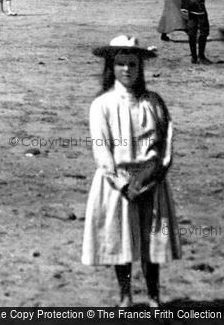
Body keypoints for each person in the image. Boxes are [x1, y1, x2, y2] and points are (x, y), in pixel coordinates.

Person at [82, 35, 181, 308]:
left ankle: (153, 297)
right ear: (111, 67)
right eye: (121, 64)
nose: (127, 70)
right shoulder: (102, 105)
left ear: (141, 68)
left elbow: (166, 140)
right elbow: (101, 148)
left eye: (133, 65)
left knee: (154, 241)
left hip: (152, 181)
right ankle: (125, 296)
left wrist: (158, 173)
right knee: (120, 240)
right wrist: (122, 184)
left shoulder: (153, 102)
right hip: (118, 184)